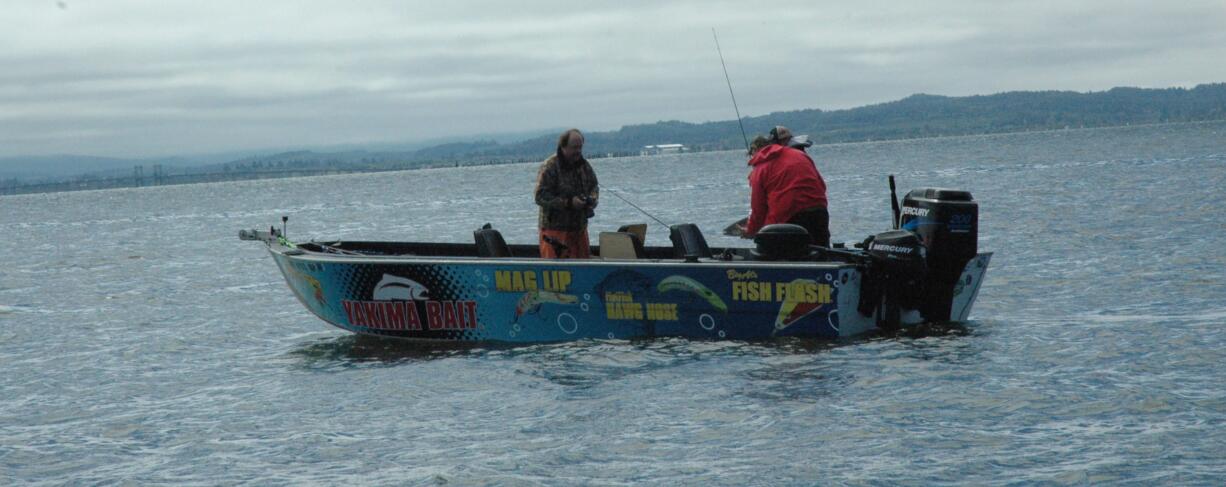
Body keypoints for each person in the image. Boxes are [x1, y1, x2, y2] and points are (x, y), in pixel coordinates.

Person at [740, 125, 830, 246]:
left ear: (755, 151)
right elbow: (821, 185)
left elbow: (758, 208)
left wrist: (750, 231)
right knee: (821, 253)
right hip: (819, 211)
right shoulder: (800, 154)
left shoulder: (760, 169)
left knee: (768, 247)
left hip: (789, 218)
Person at [534, 128, 599, 258]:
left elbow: (594, 187)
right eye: (574, 147)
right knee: (555, 273)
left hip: (579, 230)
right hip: (555, 232)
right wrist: (569, 203)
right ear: (563, 146)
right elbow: (539, 196)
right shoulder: (550, 166)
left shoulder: (584, 166)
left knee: (583, 269)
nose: (578, 151)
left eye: (580, 147)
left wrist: (591, 200)